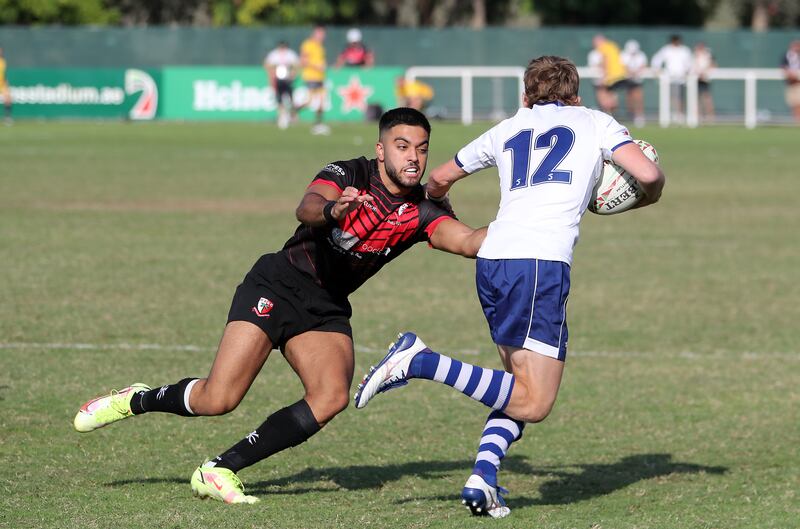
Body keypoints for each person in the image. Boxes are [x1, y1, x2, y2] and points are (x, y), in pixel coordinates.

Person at [73, 108, 488, 505]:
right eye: (402, 146)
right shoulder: (350, 172)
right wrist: (332, 210)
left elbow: (470, 243)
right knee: (218, 399)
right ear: (381, 150)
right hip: (278, 283)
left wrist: (526, 224)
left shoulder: (422, 210)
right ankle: (137, 399)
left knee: (330, 396)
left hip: (325, 308)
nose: (413, 157)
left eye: (421, 148)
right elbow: (306, 207)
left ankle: (219, 469)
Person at [354, 56, 665, 519]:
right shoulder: (596, 121)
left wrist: (439, 209)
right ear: (575, 95)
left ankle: (484, 478)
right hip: (540, 264)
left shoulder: (508, 128)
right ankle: (420, 360)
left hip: (494, 258)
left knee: (515, 388)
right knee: (535, 402)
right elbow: (649, 174)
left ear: (526, 96)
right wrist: (647, 197)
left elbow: (437, 179)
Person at [651, 34, 692, 123]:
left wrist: (687, 72)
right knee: (672, 97)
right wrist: (658, 71)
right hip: (669, 79)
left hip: (682, 79)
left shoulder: (685, 50)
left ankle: (679, 114)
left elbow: (689, 63)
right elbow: (656, 60)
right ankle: (673, 114)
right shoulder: (666, 49)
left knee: (680, 97)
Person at [299, 25, 329, 135]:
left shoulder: (320, 47)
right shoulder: (308, 44)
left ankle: (318, 124)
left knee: (322, 101)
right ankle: (293, 112)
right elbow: (303, 61)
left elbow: (322, 61)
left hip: (320, 77)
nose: (323, 36)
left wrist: (323, 65)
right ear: (315, 33)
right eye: (321, 34)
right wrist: (317, 66)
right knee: (309, 102)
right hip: (310, 76)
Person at [264, 41, 300, 129]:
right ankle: (282, 117)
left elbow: (297, 64)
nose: (282, 49)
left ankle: (293, 116)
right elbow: (267, 64)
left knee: (290, 98)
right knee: (279, 99)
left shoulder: (290, 54)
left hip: (288, 79)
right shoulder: (274, 54)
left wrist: (293, 74)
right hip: (278, 79)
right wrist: (271, 76)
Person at [590, 35, 629, 116]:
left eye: (595, 43)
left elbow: (606, 61)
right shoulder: (612, 45)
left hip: (611, 78)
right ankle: (610, 114)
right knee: (611, 98)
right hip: (619, 76)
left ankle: (606, 115)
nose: (594, 45)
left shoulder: (603, 48)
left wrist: (604, 75)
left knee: (605, 98)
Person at [620, 39, 647, 127]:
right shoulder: (624, 55)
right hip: (627, 80)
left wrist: (636, 72)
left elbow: (643, 65)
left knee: (639, 98)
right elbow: (623, 66)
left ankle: (639, 116)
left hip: (637, 80)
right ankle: (631, 115)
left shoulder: (641, 55)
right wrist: (631, 72)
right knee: (629, 99)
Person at [692, 42, 716, 123]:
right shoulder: (694, 55)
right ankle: (698, 118)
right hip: (696, 80)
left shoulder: (708, 55)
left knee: (707, 99)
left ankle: (710, 118)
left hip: (705, 79)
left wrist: (704, 73)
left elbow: (713, 65)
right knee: (696, 99)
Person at [781, 40, 800, 122]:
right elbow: (783, 67)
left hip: (798, 84)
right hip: (789, 84)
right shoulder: (786, 56)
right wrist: (790, 74)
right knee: (793, 103)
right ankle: (796, 120)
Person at [0, 47, 12, 124]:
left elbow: (3, 74)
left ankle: (7, 118)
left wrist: (6, 81)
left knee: (8, 99)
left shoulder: (3, 62)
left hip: (2, 84)